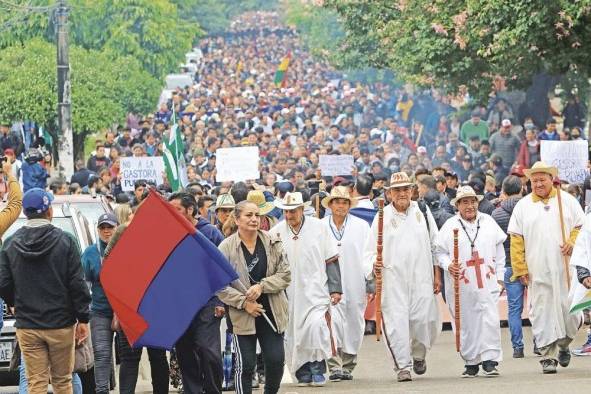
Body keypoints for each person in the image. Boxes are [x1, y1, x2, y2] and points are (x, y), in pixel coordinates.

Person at [0, 188, 91, 393]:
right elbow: (77, 283)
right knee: (62, 381)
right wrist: (83, 319)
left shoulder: (10, 244)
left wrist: (14, 303)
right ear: (49, 211)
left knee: (36, 383)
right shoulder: (66, 241)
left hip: (28, 325)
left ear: (26, 213)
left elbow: (3, 283)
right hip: (61, 323)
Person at [508, 161, 585, 374]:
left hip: (565, 270)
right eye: (534, 181)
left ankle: (563, 345)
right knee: (541, 313)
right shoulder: (522, 206)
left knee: (570, 314)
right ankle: (547, 356)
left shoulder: (567, 201)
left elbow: (582, 228)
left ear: (552, 180)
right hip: (537, 271)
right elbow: (516, 239)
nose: (538, 184)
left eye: (542, 179)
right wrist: (520, 268)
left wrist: (572, 241)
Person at [364, 172, 440, 382]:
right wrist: (374, 265)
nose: (401, 194)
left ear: (412, 191)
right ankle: (402, 367)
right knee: (396, 324)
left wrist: (437, 273)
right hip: (393, 281)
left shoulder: (422, 212)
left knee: (424, 322)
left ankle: (418, 356)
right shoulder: (382, 216)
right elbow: (369, 252)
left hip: (421, 278)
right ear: (389, 194)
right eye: (396, 190)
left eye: (405, 189)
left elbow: (436, 244)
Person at [218, 200, 291, 394]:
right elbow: (219, 285)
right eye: (248, 215)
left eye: (257, 215)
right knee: (246, 366)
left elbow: (285, 275)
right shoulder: (226, 247)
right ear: (237, 219)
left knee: (276, 361)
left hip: (272, 310)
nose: (254, 219)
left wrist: (261, 286)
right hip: (242, 315)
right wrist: (244, 303)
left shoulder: (272, 241)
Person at [270, 192, 342, 387]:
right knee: (294, 334)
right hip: (288, 294)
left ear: (302, 209)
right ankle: (303, 373)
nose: (289, 216)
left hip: (316, 290)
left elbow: (331, 260)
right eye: (286, 212)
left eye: (293, 211)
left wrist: (335, 289)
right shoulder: (275, 233)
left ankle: (318, 370)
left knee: (316, 328)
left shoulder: (319, 228)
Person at [435, 186, 506, 377]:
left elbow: (500, 252)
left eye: (472, 201)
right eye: (465, 202)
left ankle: (490, 360)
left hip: (487, 280)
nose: (470, 206)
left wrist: (500, 278)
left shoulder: (489, 222)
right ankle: (471, 361)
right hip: (462, 284)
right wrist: (449, 264)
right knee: (466, 322)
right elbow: (439, 252)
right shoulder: (450, 225)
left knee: (489, 319)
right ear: (457, 205)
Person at [168, 192, 225, 393]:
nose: (172, 214)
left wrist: (221, 300)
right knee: (184, 351)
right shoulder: (168, 233)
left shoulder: (210, 233)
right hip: (180, 303)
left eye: (177, 210)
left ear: (190, 210)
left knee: (208, 351)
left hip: (208, 301)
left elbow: (224, 269)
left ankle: (212, 390)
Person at [321, 187, 370, 382]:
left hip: (355, 282)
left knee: (354, 323)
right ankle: (333, 365)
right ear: (330, 205)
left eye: (344, 202)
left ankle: (349, 365)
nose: (340, 206)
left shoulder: (361, 226)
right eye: (337, 202)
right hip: (329, 284)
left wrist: (371, 283)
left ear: (349, 205)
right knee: (331, 323)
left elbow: (368, 256)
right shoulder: (320, 226)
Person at [81, 213, 119, 394]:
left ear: (117, 228)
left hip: (125, 312)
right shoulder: (90, 253)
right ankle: (102, 390)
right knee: (102, 354)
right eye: (103, 227)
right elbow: (83, 283)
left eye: (110, 227)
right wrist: (84, 309)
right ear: (97, 230)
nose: (106, 231)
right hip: (100, 311)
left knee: (129, 357)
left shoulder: (127, 247)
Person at [491, 176, 525, 358]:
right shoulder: (529, 209)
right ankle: (540, 344)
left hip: (508, 264)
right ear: (521, 188)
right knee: (538, 305)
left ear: (503, 190)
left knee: (514, 308)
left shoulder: (496, 215)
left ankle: (517, 347)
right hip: (531, 262)